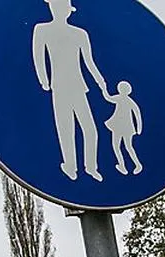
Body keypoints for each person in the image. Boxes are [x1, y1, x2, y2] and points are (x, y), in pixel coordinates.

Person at [33, 0, 111, 181]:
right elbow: (39, 57)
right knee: (66, 128)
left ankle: (91, 167)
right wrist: (44, 80)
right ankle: (70, 166)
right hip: (59, 86)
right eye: (55, 6)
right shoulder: (42, 29)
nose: (57, 10)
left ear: (68, 11)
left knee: (90, 129)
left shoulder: (79, 34)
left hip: (78, 86)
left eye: (62, 7)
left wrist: (101, 83)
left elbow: (89, 62)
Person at [105, 81, 143, 175]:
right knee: (123, 146)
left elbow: (137, 113)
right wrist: (138, 128)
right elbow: (109, 98)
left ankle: (136, 165)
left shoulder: (124, 99)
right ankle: (124, 165)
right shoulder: (126, 100)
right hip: (122, 127)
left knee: (122, 146)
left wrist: (139, 128)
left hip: (122, 127)